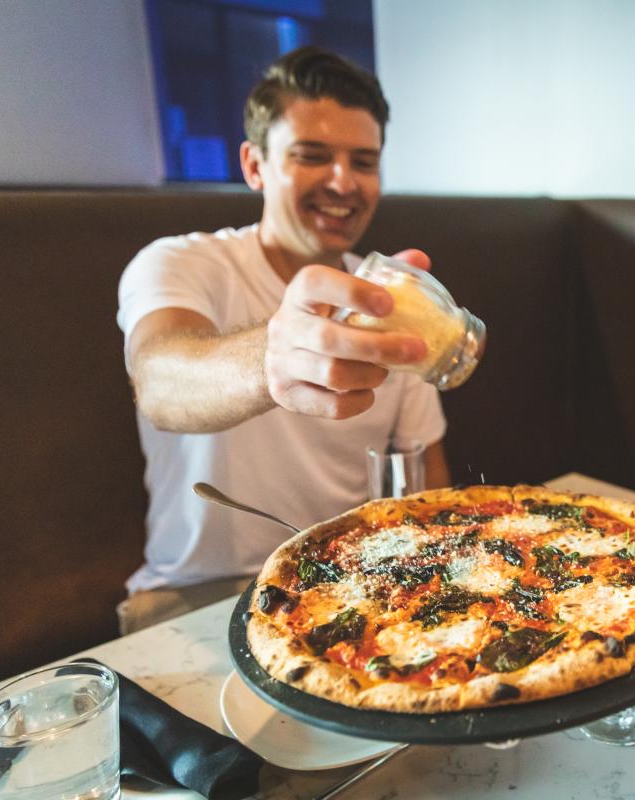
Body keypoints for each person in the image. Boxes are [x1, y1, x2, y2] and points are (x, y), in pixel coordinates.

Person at [115, 46, 451, 633]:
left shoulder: (388, 299)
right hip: (197, 601)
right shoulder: (178, 264)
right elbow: (159, 381)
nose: (343, 181)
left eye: (364, 162)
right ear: (255, 165)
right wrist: (275, 355)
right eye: (312, 156)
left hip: (349, 590)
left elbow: (426, 482)